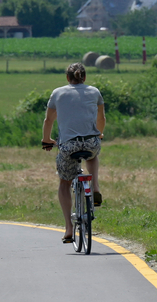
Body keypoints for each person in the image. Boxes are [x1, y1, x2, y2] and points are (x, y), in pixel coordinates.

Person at [41, 63, 105, 244]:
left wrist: (46, 140)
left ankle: (69, 227)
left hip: (68, 146)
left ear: (67, 78)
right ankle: (95, 188)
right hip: (91, 142)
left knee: (64, 182)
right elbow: (101, 118)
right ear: (84, 77)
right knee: (93, 155)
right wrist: (98, 134)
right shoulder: (94, 92)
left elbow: (48, 120)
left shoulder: (58, 93)